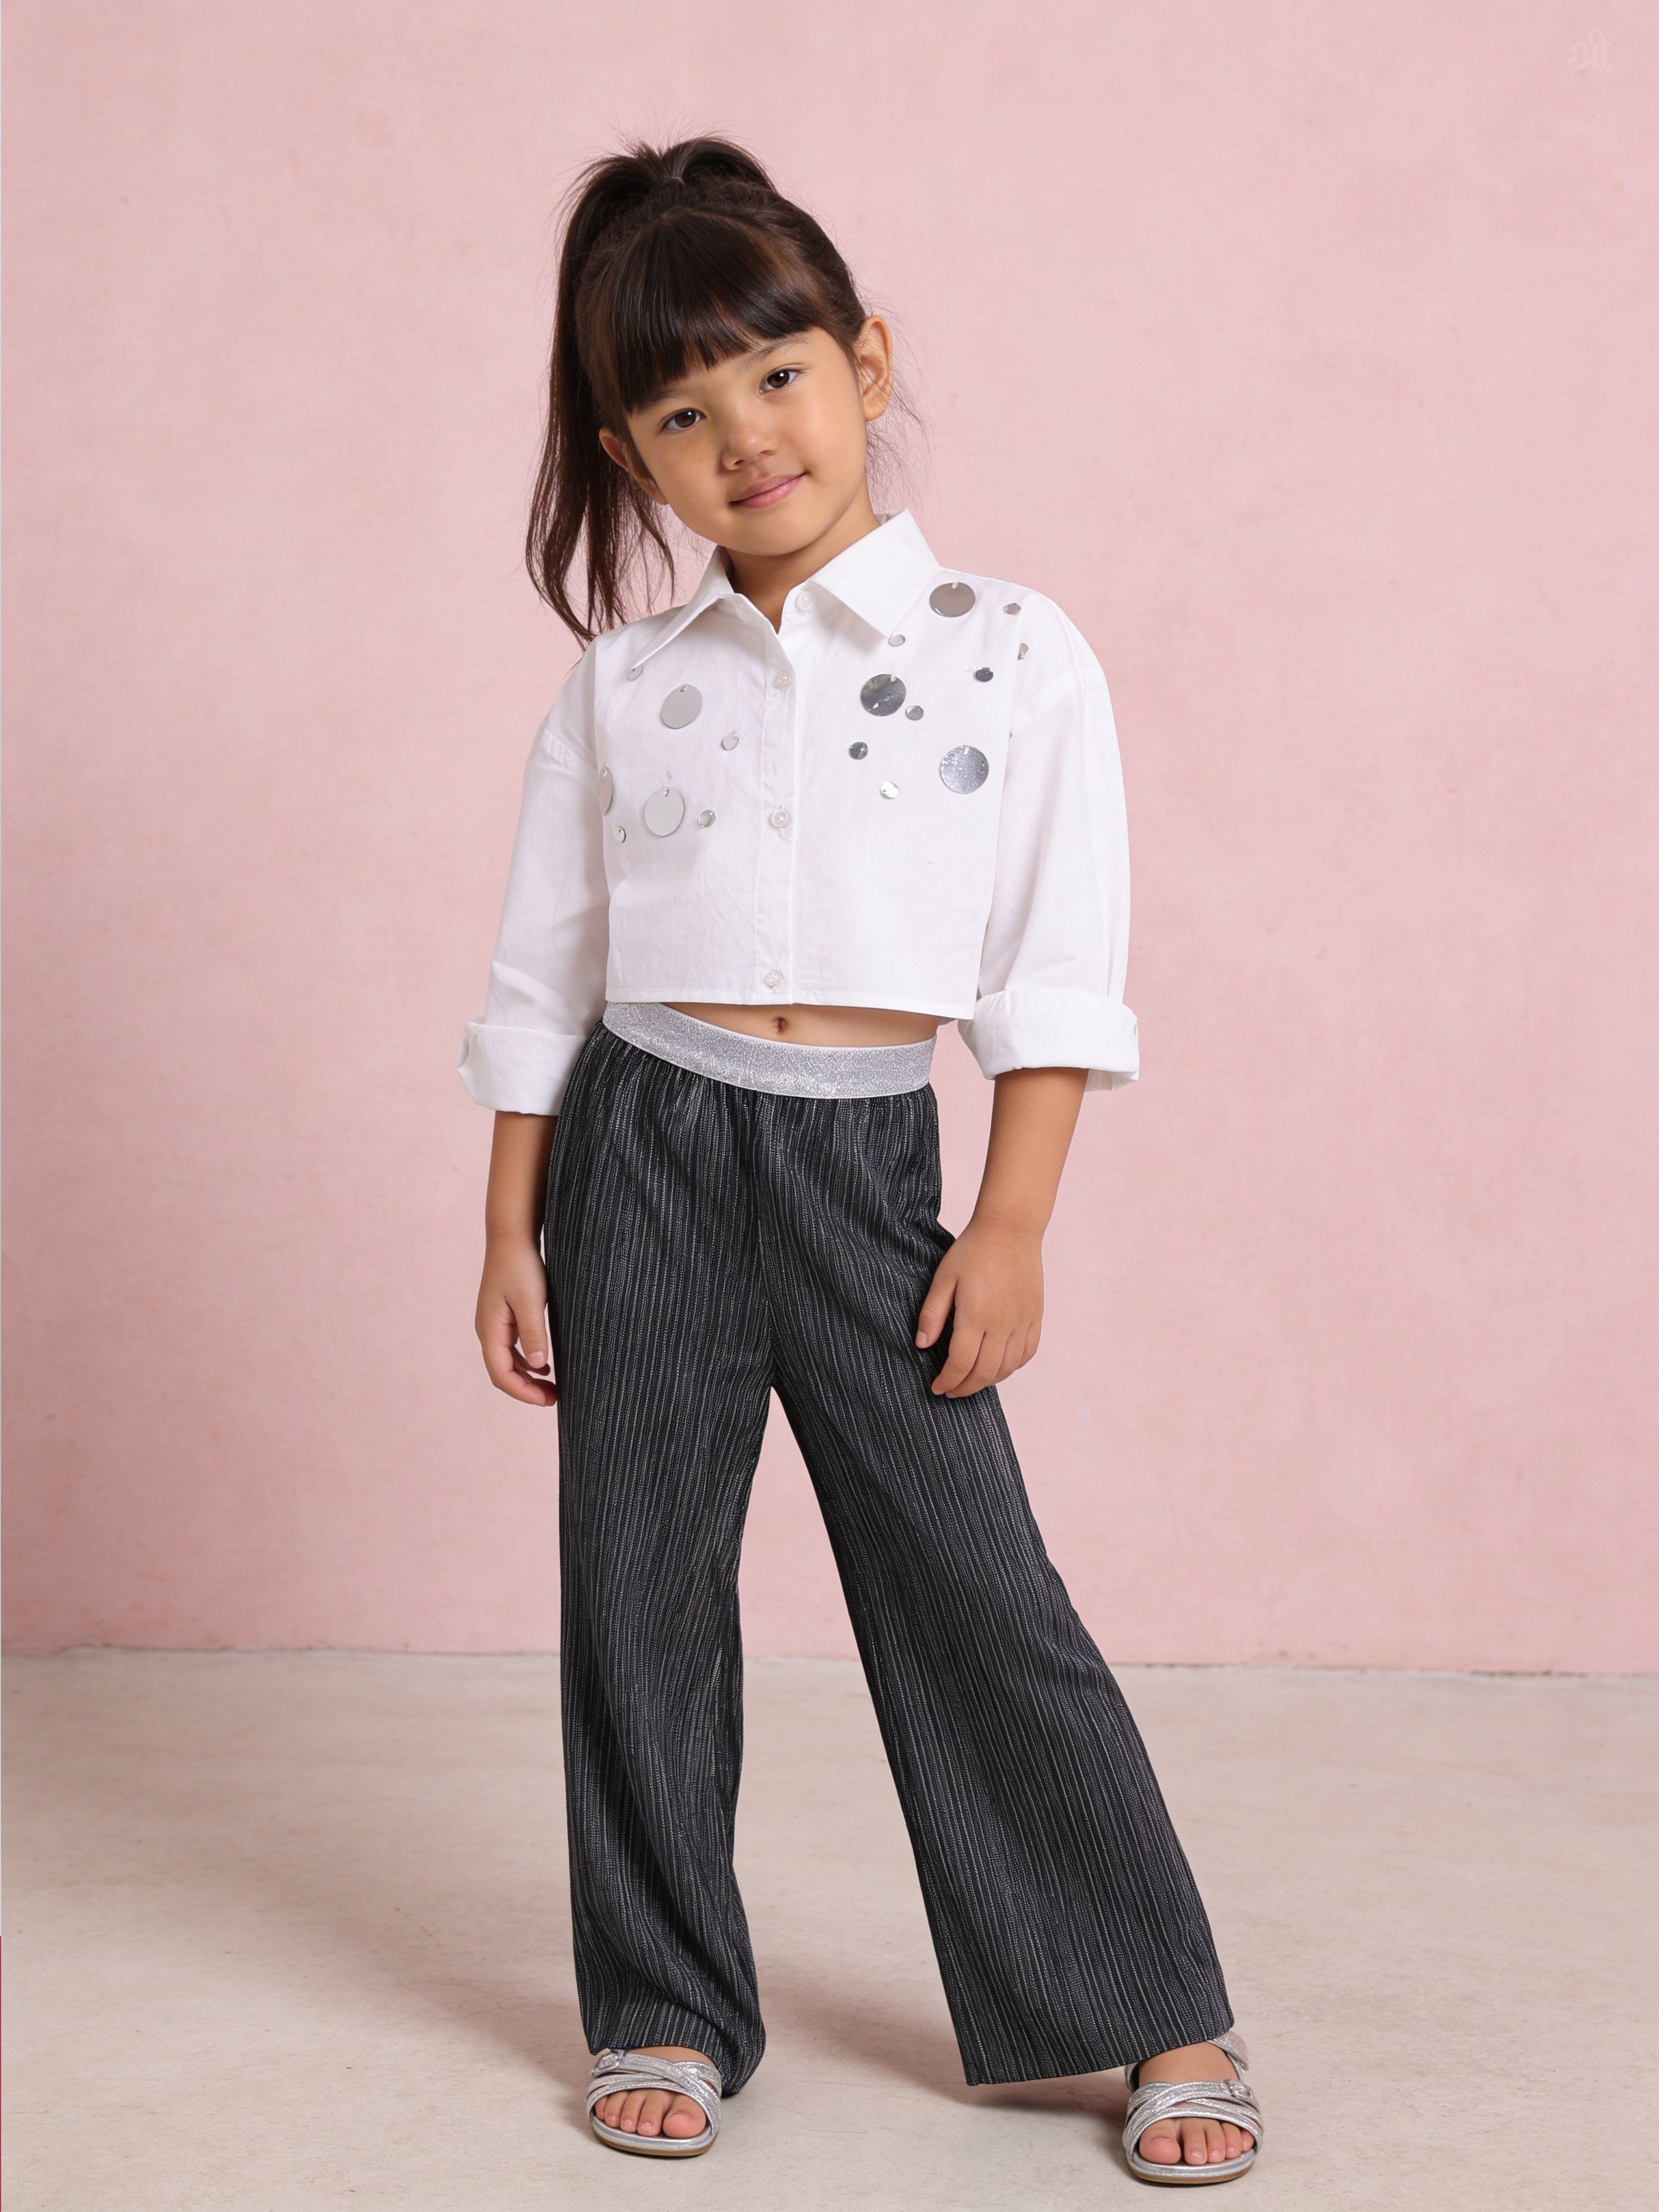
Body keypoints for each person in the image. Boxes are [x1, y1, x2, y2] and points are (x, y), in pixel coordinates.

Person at [457, 135, 1264, 2186]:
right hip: (636, 1155)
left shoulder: (1015, 646)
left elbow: (1056, 970)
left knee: (977, 1588)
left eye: (780, 377)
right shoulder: (623, 689)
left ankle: (1153, 2006)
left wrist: (1009, 1221)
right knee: (636, 1598)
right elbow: (543, 977)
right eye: (681, 413)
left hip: (859, 1175)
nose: (746, 439)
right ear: (631, 454)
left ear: (868, 363)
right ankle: (659, 2002)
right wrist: (509, 1234)